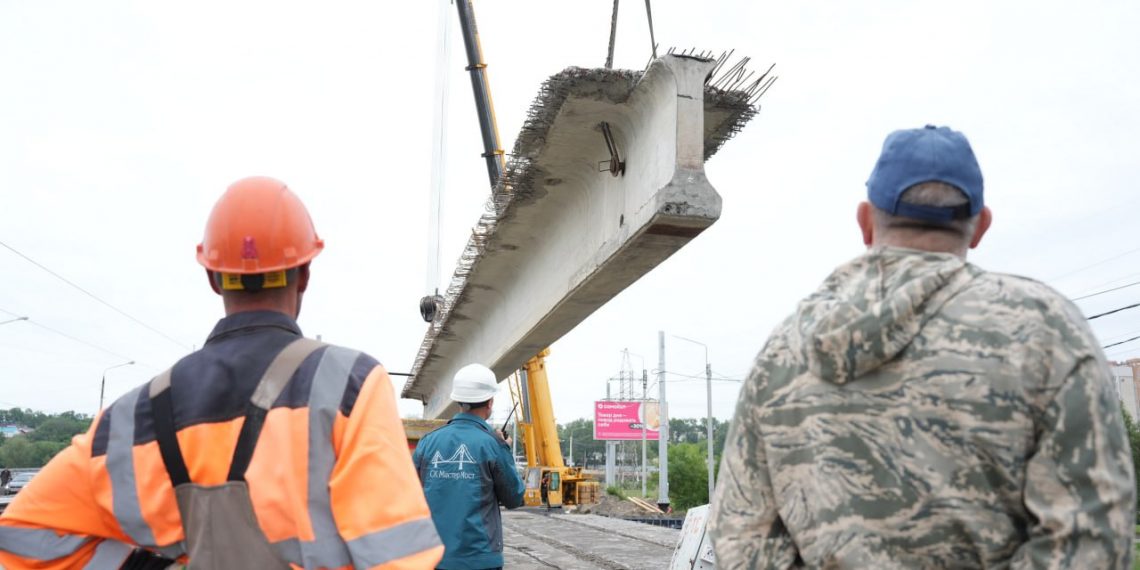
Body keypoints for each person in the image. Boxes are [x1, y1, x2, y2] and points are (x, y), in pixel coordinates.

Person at [709, 125, 1136, 568]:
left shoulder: (783, 350)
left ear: (865, 222)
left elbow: (741, 539)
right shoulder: (1046, 330)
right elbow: (1093, 544)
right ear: (980, 226)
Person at [0, 177, 444, 569]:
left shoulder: (134, 416)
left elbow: (24, 535)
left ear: (214, 278)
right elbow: (399, 558)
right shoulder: (351, 385)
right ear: (304, 274)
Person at [413, 364, 525, 570]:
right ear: (490, 402)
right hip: (480, 559)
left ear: (458, 400)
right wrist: (505, 450)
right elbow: (514, 497)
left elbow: (409, 495)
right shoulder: (493, 445)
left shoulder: (427, 442)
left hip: (433, 558)